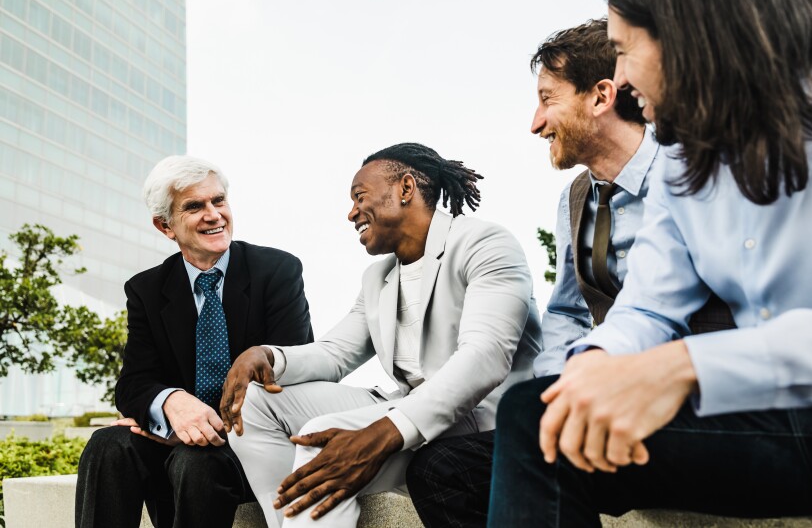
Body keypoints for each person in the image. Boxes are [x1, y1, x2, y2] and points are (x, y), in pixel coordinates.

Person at [488, 0, 812, 525]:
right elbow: (647, 306)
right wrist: (592, 370)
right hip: (769, 420)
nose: (619, 79)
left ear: (690, 32)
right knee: (535, 417)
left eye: (623, 52)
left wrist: (684, 366)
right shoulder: (681, 166)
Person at [405, 18, 732, 528]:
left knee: (534, 436)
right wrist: (558, 397)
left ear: (601, 96)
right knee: (445, 468)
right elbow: (568, 313)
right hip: (616, 410)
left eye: (547, 99)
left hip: (711, 405)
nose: (535, 123)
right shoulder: (576, 199)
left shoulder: (697, 173)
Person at [220, 142, 542, 527]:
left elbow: (484, 357)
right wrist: (268, 356)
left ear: (406, 189)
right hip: (409, 407)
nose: (351, 213)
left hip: (481, 424)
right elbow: (335, 354)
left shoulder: (485, 244)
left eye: (360, 197)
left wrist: (385, 432)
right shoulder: (378, 276)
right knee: (255, 403)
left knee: (320, 438)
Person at [75, 155, 314, 528]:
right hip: (175, 442)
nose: (214, 214)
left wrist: (204, 427)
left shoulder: (277, 272)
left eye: (218, 201)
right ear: (165, 226)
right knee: (108, 446)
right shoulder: (146, 290)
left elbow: (291, 373)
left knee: (196, 459)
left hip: (249, 442)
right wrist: (170, 405)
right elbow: (134, 383)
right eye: (194, 206)